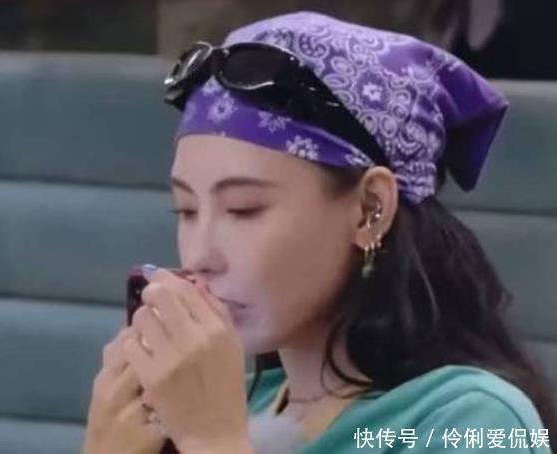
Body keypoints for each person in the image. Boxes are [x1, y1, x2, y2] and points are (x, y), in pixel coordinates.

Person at [82, 11, 555, 454]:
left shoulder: (469, 420)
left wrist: (212, 440)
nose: (200, 255)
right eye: (186, 210)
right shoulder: (230, 404)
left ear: (370, 209)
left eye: (244, 209)